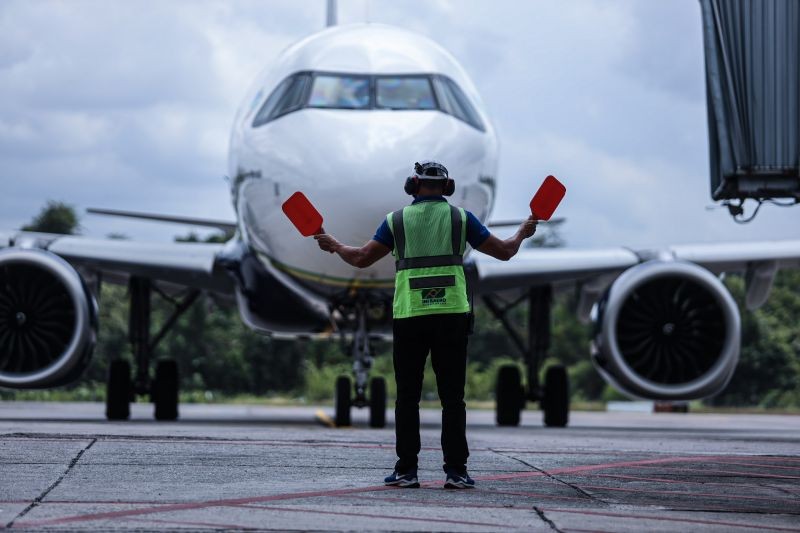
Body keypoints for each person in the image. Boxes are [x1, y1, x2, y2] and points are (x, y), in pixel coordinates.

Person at [314, 160, 537, 489]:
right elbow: (504, 252)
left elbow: (361, 258)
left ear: (412, 185)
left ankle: (406, 471)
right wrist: (523, 231)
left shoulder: (397, 221)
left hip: (410, 316)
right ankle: (456, 472)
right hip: (452, 315)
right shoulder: (461, 218)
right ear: (448, 188)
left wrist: (333, 245)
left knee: (407, 398)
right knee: (453, 399)